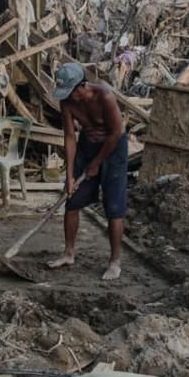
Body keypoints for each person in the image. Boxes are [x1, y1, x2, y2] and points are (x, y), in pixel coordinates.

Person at [46, 62, 128, 281]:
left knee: (114, 206)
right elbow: (70, 137)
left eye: (72, 92)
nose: (70, 97)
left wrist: (97, 163)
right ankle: (68, 253)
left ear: (82, 86)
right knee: (72, 201)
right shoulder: (67, 103)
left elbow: (116, 133)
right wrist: (70, 174)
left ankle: (114, 262)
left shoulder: (105, 96)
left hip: (114, 149)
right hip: (87, 146)